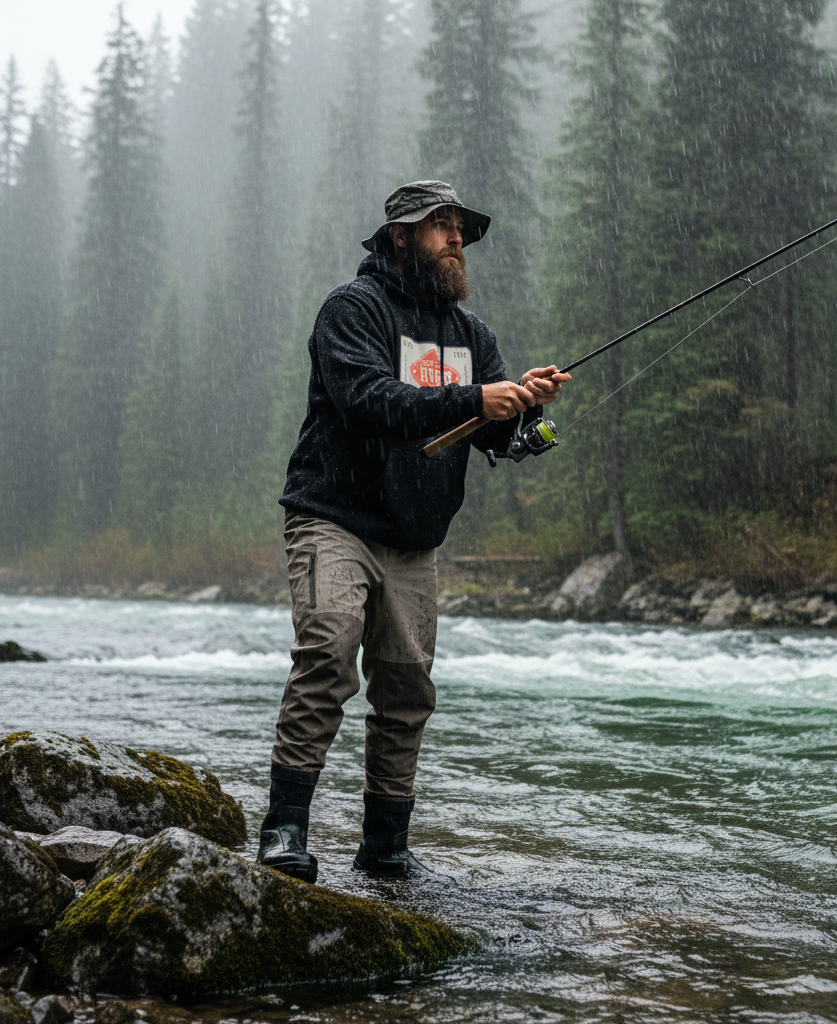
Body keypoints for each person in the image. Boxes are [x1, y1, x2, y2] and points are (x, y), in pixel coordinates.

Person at [256, 180, 570, 882]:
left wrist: (524, 409)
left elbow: (495, 435)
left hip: (415, 539)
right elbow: (367, 401)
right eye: (443, 226)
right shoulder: (353, 309)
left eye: (461, 228)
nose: (458, 239)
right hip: (334, 518)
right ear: (401, 236)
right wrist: (473, 397)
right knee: (328, 658)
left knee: (405, 690)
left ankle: (385, 849)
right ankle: (283, 832)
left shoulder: (471, 334)